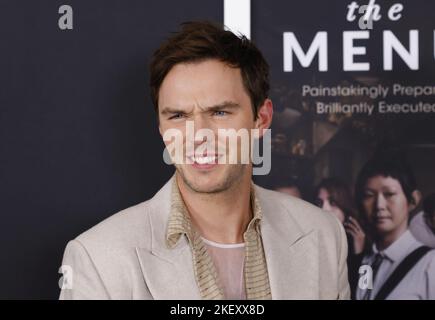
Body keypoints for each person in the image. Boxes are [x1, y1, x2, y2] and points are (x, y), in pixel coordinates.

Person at [59, 21, 350, 300]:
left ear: (261, 119)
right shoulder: (97, 258)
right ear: (162, 129)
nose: (199, 135)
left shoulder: (323, 235)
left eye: (220, 112)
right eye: (178, 116)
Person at [354, 156, 435, 300]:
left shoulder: (430, 264)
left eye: (389, 194)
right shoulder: (368, 261)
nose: (379, 205)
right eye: (369, 195)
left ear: (413, 200)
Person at [314, 178, 367, 299]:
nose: (324, 209)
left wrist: (359, 254)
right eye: (319, 202)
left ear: (345, 207)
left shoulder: (361, 243)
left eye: (332, 203)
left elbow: (364, 292)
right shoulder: (311, 239)